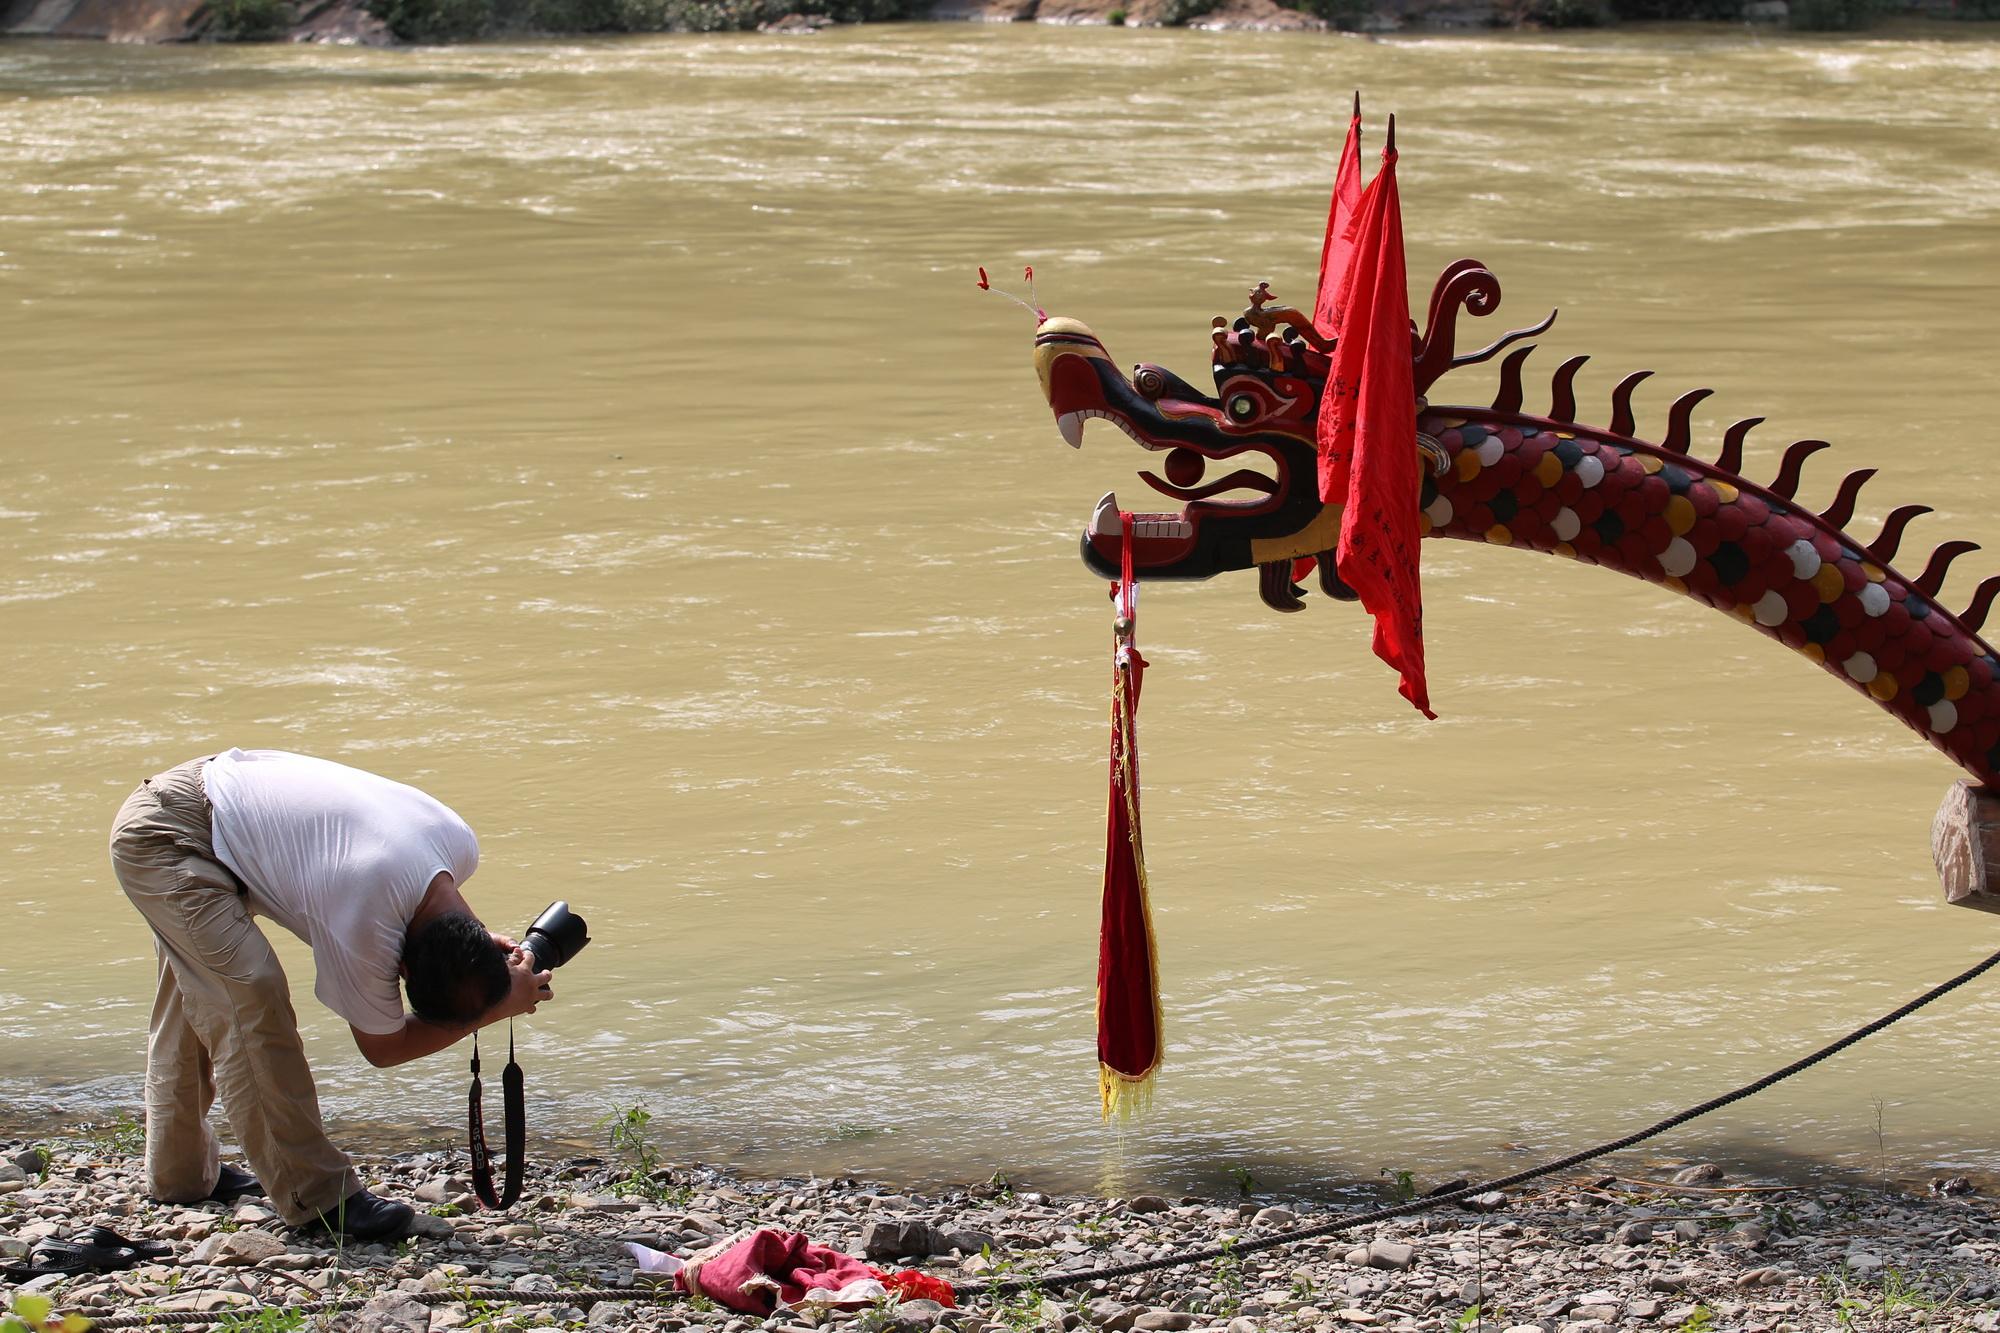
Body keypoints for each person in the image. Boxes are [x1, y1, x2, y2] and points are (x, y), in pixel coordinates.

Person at [108, 748, 554, 1241]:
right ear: (400, 965)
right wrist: (494, 1009)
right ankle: (317, 1198)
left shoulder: (456, 847)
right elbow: (383, 1047)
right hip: (167, 836)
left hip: (216, 805)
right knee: (249, 996)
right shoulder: (368, 915)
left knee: (203, 990)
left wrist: (484, 966)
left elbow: (441, 920)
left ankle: (181, 1174)